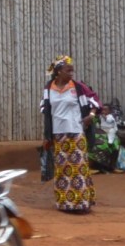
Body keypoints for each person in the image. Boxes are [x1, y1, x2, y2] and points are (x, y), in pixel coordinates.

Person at [40, 55, 97, 214]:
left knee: (78, 169)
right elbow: (46, 111)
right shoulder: (48, 88)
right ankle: (65, 204)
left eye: (72, 70)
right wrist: (47, 135)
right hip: (58, 135)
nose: (72, 73)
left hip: (77, 132)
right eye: (68, 70)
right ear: (58, 72)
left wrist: (90, 116)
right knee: (62, 169)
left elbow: (95, 101)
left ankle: (81, 203)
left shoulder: (78, 87)